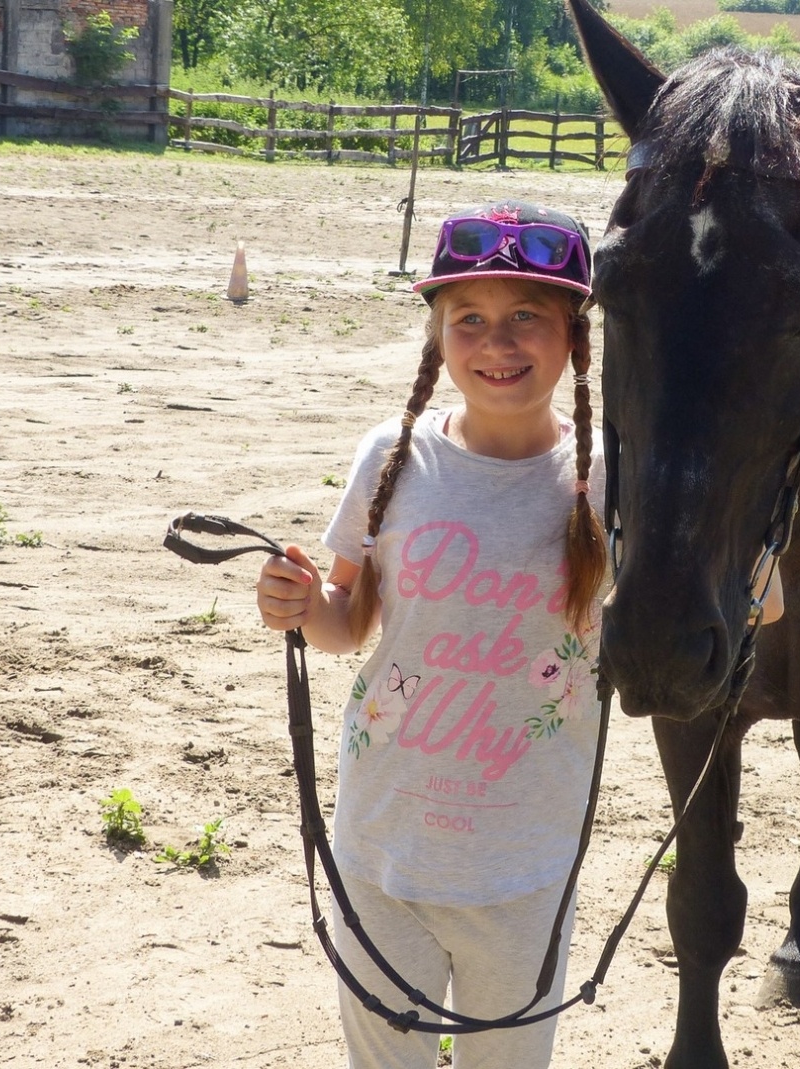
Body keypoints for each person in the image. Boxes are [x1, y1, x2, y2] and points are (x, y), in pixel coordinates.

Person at [256, 200, 608, 1069]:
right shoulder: (393, 457)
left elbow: (750, 605)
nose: (499, 343)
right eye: (471, 320)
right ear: (438, 336)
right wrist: (297, 606)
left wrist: (751, 527)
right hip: (382, 844)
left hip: (525, 859)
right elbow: (347, 624)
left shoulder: (611, 478)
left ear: (573, 337)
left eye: (528, 315)